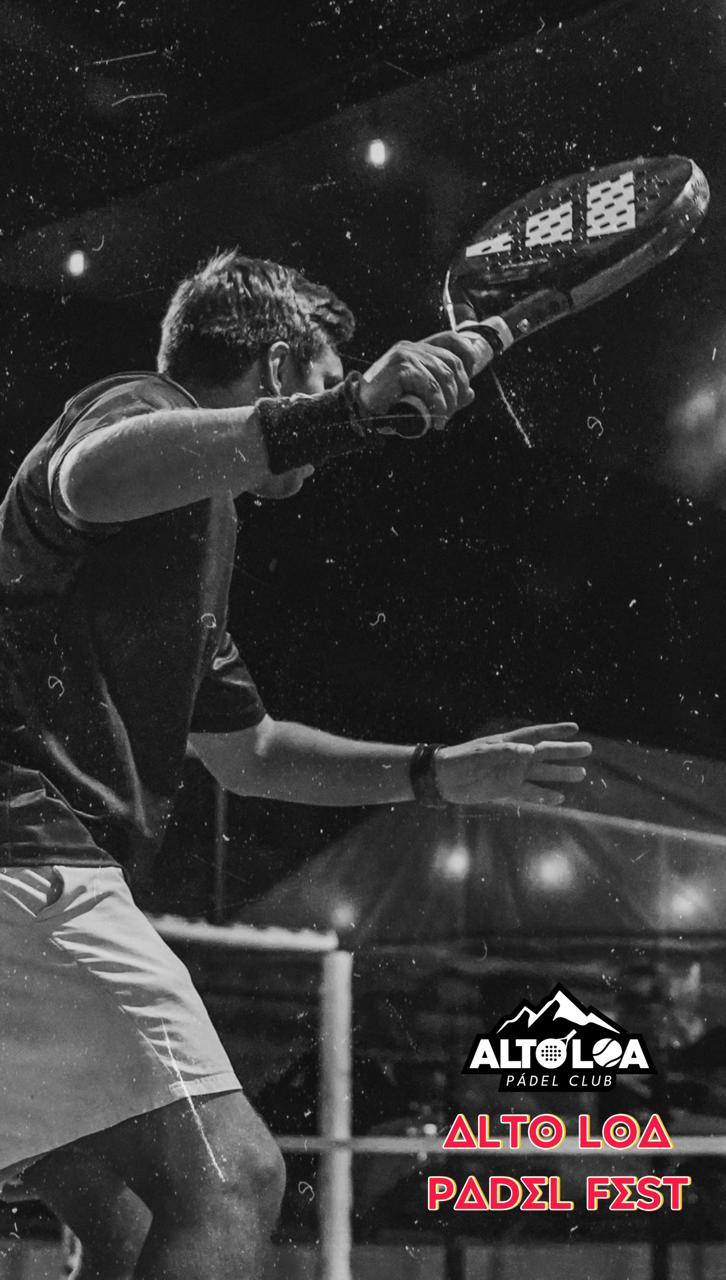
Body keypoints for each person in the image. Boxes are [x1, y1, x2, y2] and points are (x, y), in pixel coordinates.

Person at [0, 251, 591, 1279]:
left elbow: (252, 752)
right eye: (323, 374)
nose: (335, 408)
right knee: (233, 1178)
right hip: (24, 852)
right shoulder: (143, 406)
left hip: (29, 882)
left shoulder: (192, 533)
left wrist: (435, 772)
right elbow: (87, 475)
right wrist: (344, 412)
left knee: (134, 1225)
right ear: (278, 367)